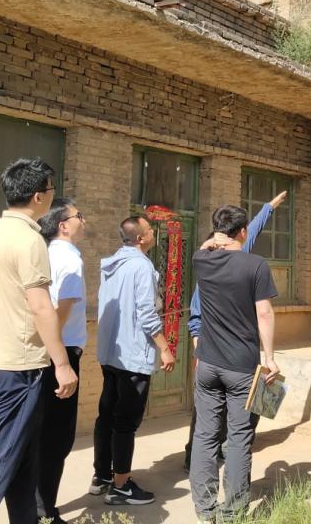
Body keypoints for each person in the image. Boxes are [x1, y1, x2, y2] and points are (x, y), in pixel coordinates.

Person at [0, 158, 78, 524]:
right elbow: (40, 306)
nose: (52, 196)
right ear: (39, 196)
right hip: (18, 368)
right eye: (51, 190)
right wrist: (62, 364)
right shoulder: (29, 240)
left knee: (23, 461)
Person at [184, 190, 287, 469]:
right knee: (211, 415)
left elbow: (249, 232)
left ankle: (218, 453)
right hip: (216, 354)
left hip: (230, 357)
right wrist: (198, 347)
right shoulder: (209, 274)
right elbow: (196, 317)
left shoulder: (228, 260)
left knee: (234, 412)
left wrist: (268, 207)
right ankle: (198, 456)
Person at [91, 216, 175, 506]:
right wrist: (164, 347)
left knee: (107, 416)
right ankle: (121, 486)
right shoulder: (141, 266)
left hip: (110, 352)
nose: (153, 233)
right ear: (140, 238)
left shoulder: (113, 263)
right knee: (126, 422)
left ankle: (102, 476)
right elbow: (147, 314)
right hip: (132, 356)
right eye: (150, 230)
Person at [34, 198, 88, 524]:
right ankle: (44, 513)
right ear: (63, 226)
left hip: (44, 352)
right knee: (57, 438)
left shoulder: (45, 254)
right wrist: (61, 362)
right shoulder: (69, 259)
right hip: (61, 353)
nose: (84, 220)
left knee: (42, 434)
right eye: (79, 216)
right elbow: (60, 314)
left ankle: (35, 507)